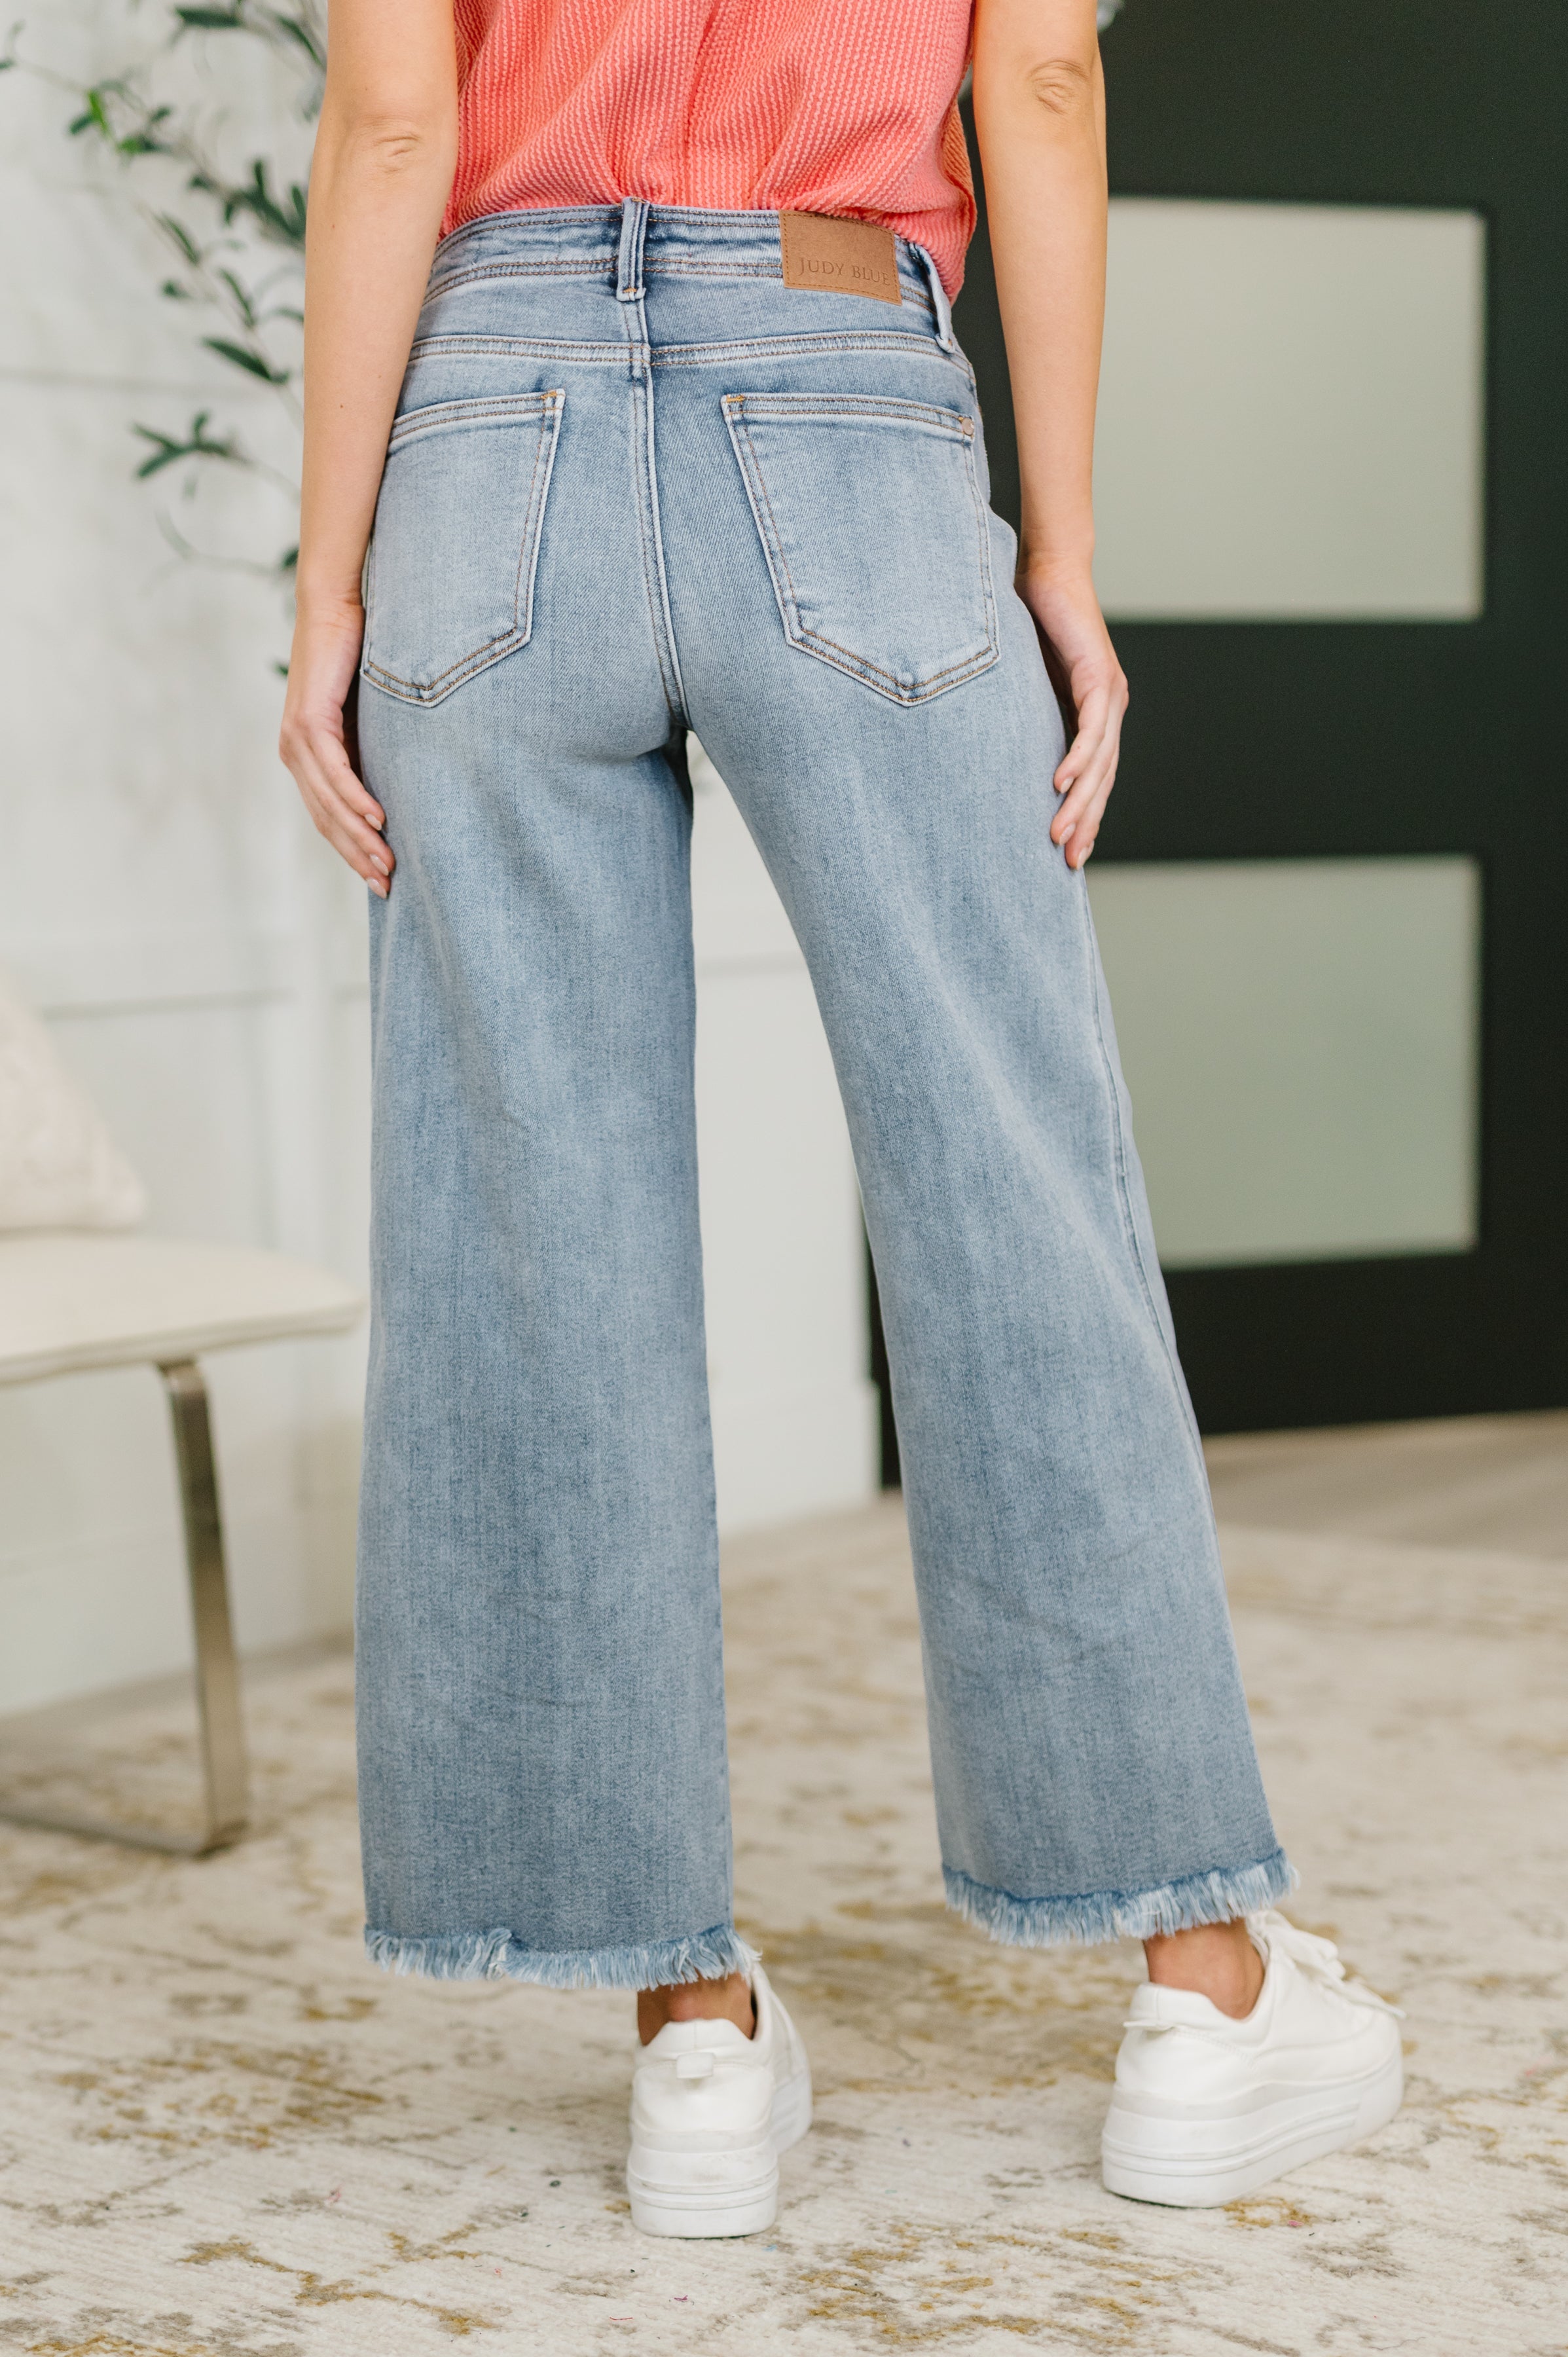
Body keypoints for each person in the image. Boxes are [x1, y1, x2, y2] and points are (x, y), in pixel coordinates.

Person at [279, 0, 1404, 2237]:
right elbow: (1043, 84)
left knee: (532, 1228)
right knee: (1009, 1188)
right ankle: (1197, 1981)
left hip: (486, 428)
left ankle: (686, 2037)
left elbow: (397, 118)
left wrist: (326, 590)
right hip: (840, 387)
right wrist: (1061, 547)